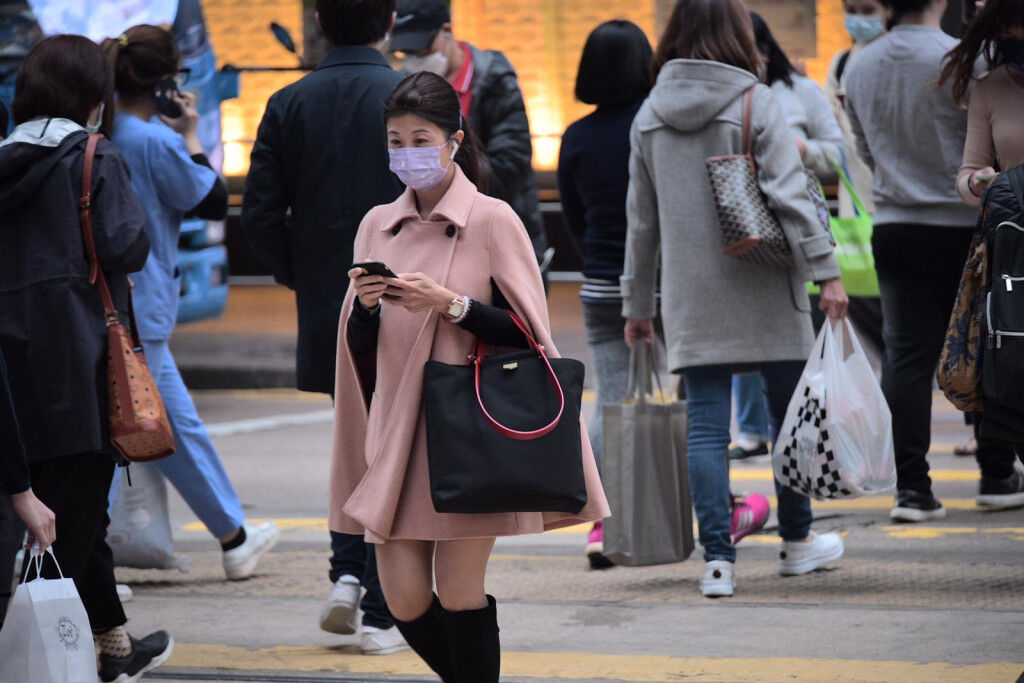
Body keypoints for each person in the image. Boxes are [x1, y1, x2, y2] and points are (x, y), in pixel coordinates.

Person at [332, 71, 609, 681]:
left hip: (464, 431)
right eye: (396, 141)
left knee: (459, 594)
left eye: (421, 140)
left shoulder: (492, 219)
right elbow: (359, 350)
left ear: (454, 141)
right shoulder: (376, 224)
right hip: (396, 432)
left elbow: (530, 335)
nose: (407, 153)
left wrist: (450, 304)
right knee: (403, 600)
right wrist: (368, 308)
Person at [622, 0, 849, 599]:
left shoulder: (649, 114)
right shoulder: (755, 101)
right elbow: (791, 197)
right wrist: (826, 273)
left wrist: (637, 306)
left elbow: (641, 224)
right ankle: (797, 542)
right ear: (736, 36)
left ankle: (718, 562)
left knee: (705, 428)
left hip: (691, 297)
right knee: (787, 418)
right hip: (767, 284)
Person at [0, 34, 172, 681]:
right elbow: (126, 246)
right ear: (93, 95)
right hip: (78, 365)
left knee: (70, 510)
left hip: (9, 376)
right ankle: (39, 658)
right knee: (69, 524)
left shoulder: (5, 158)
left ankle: (114, 646)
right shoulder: (93, 156)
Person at [241, 0, 406, 654]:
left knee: (350, 442)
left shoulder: (288, 102)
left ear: (318, 23)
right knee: (398, 451)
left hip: (330, 305)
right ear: (390, 19)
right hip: (407, 298)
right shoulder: (412, 95)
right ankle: (382, 608)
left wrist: (308, 278)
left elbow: (258, 215)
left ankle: (346, 573)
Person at [100, 24, 280, 582]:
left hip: (121, 303)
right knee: (124, 431)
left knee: (175, 425)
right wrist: (194, 134)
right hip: (142, 307)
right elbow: (212, 199)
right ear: (164, 84)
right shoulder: (154, 141)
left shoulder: (104, 130)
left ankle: (233, 535)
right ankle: (81, 561)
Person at [844, 0, 1023, 520]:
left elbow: (863, 146)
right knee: (986, 342)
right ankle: (996, 471)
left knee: (905, 356)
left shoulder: (860, 65)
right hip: (969, 224)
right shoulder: (963, 60)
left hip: (895, 222)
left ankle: (912, 490)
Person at [730, 12, 849, 463]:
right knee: (744, 332)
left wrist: (801, 149)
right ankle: (751, 431)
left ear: (766, 49)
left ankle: (803, 435)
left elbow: (837, 152)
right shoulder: (728, 93)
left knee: (794, 341)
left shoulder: (799, 91)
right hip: (741, 229)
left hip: (793, 230)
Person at [389, 0, 548, 264]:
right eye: (406, 52)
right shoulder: (405, 89)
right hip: (432, 243)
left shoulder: (493, 79)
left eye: (422, 48)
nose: (414, 59)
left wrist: (438, 175)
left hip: (498, 238)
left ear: (447, 31)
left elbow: (510, 165)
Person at [941, 0, 1024, 500]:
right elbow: (967, 176)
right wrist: (978, 183)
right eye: (1009, 35)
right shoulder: (991, 87)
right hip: (1013, 261)